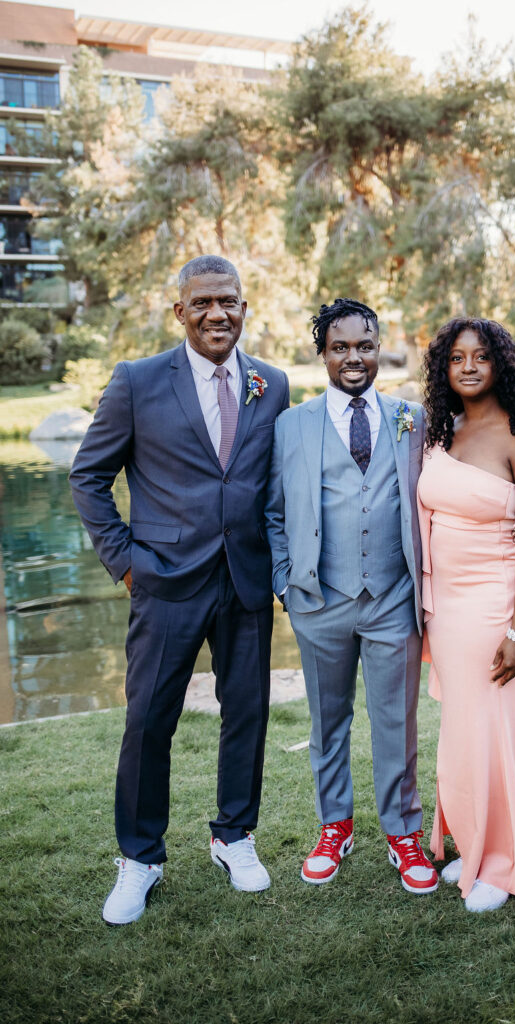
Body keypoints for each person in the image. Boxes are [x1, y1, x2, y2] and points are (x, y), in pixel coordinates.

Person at [69, 255, 290, 924]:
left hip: (245, 582)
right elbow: (88, 477)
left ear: (244, 307)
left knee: (246, 713)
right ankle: (140, 857)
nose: (217, 313)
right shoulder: (137, 382)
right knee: (147, 721)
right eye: (203, 303)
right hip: (163, 582)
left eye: (229, 301)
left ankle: (233, 837)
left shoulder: (271, 385)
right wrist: (127, 563)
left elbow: (272, 485)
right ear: (180, 312)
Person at [265, 298, 438, 895]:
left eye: (364, 346)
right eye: (340, 347)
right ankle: (335, 826)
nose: (354, 358)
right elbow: (273, 511)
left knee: (397, 722)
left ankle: (403, 834)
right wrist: (285, 581)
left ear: (379, 348)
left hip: (393, 597)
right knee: (327, 721)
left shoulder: (410, 418)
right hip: (318, 599)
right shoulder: (291, 424)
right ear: (323, 354)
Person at [418, 316, 515, 913]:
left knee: (491, 736)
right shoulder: (440, 434)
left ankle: (503, 865)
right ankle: (473, 847)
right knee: (460, 737)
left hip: (490, 608)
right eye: (456, 358)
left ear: (501, 364)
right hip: (444, 610)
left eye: (480, 356)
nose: (468, 366)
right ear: (444, 370)